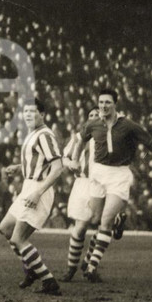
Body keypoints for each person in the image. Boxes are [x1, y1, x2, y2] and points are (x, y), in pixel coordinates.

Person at [72, 87, 152, 282]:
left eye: (107, 102)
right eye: (101, 102)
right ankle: (117, 221)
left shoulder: (128, 125)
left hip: (119, 175)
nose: (103, 106)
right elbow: (80, 141)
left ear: (115, 104)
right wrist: (75, 160)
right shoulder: (93, 124)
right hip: (98, 173)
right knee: (95, 218)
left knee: (105, 220)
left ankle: (91, 267)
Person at [0, 99, 64, 296]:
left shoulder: (45, 135)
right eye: (25, 112)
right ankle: (31, 269)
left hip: (38, 190)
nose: (27, 115)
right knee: (5, 228)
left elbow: (57, 168)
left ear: (42, 115)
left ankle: (49, 281)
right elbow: (39, 162)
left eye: (32, 112)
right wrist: (19, 168)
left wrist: (38, 192)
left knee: (18, 238)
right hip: (28, 186)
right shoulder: (33, 134)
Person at [60, 107, 102, 281]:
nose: (93, 118)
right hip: (82, 184)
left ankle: (88, 261)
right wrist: (71, 163)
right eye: (90, 115)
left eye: (96, 115)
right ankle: (72, 268)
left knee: (103, 226)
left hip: (100, 184)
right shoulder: (78, 137)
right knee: (81, 228)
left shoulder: (106, 137)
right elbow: (63, 158)